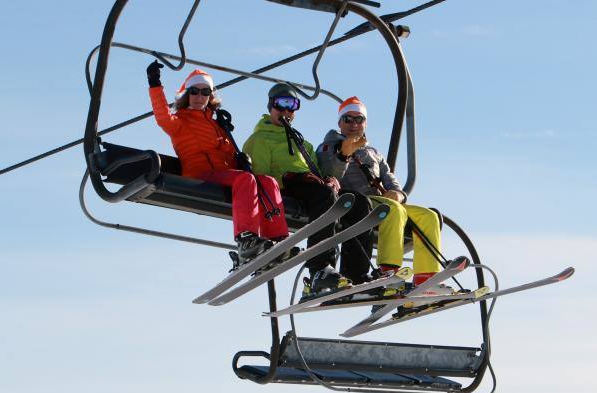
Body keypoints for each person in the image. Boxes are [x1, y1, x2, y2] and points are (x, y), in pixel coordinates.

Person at [146, 60, 289, 266]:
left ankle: (277, 239)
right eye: (194, 91)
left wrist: (238, 159)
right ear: (186, 94)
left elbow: (228, 158)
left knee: (267, 182)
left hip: (223, 174)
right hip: (199, 173)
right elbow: (162, 116)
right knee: (246, 180)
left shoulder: (218, 125)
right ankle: (246, 240)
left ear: (211, 96)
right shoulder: (180, 121)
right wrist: (155, 84)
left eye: (205, 92)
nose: (199, 97)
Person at [242, 83, 373, 298]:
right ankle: (319, 269)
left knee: (359, 203)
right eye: (281, 106)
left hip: (312, 186)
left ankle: (355, 275)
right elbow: (261, 177)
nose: (286, 112)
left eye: (292, 107)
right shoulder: (260, 139)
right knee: (324, 195)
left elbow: (320, 171)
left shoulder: (302, 142)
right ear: (270, 106)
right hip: (286, 187)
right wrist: (290, 180)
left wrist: (330, 179)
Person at [317, 96, 455, 296]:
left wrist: (398, 194)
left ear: (365, 123)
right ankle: (388, 270)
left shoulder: (373, 152)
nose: (354, 124)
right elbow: (329, 176)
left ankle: (426, 278)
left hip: (381, 200)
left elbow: (390, 178)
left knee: (428, 216)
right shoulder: (329, 146)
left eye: (359, 119)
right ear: (340, 122)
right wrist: (344, 154)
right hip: (355, 201)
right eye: (348, 119)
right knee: (393, 210)